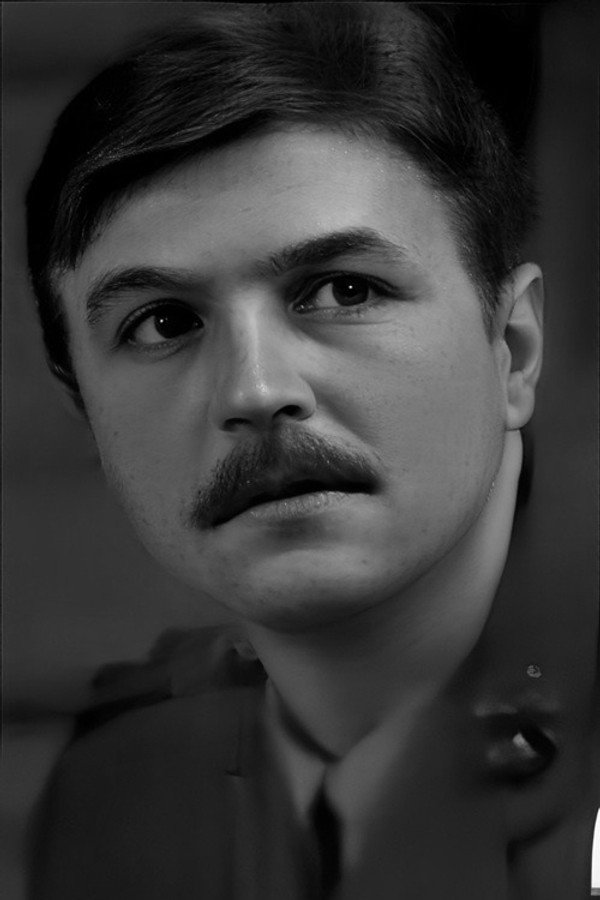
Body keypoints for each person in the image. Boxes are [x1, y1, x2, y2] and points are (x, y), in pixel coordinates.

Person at [24, 4, 597, 898]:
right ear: (86, 410)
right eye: (164, 323)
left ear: (513, 349)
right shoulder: (123, 796)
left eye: (343, 290)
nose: (254, 389)